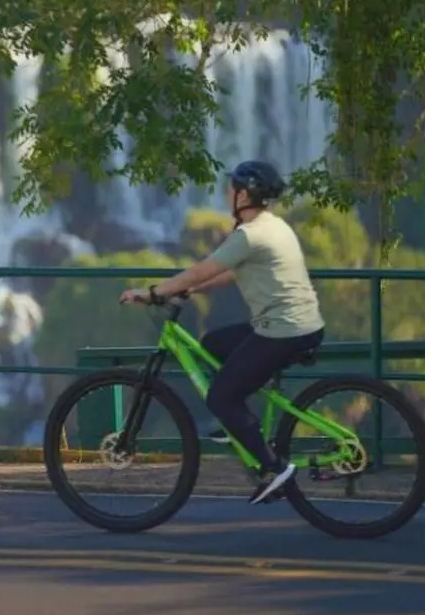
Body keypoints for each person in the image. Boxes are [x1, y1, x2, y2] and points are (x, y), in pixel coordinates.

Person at [119, 159, 324, 505]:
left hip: (283, 330)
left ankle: (273, 468)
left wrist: (154, 292)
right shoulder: (273, 227)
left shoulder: (249, 235)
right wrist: (195, 291)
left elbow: (202, 269)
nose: (227, 193)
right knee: (213, 344)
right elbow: (229, 274)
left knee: (220, 397)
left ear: (244, 195)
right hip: (297, 325)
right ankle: (239, 424)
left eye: (232, 188)